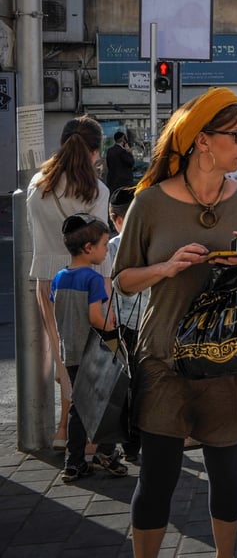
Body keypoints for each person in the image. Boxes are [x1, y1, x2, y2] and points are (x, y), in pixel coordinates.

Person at [113, 87, 237, 558]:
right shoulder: (148, 204)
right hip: (163, 358)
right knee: (157, 477)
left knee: (227, 472)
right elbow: (123, 280)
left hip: (229, 360)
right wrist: (166, 267)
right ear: (202, 142)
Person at [27, 116, 111, 451]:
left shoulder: (38, 185)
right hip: (87, 279)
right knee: (89, 359)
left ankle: (63, 429)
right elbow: (101, 247)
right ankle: (85, 436)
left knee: (63, 357)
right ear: (94, 151)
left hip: (48, 279)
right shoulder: (95, 190)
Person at [53, 213, 125, 482]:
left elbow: (57, 307)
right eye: (105, 246)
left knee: (78, 408)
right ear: (88, 248)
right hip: (92, 352)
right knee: (105, 404)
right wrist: (112, 328)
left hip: (69, 351)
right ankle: (106, 454)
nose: (107, 251)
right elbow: (96, 317)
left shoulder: (60, 276)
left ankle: (73, 462)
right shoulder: (93, 279)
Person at [107, 185, 144, 464]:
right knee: (146, 383)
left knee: (126, 384)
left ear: (115, 218)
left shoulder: (111, 247)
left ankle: (130, 442)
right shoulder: (151, 240)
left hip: (124, 327)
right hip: (152, 323)